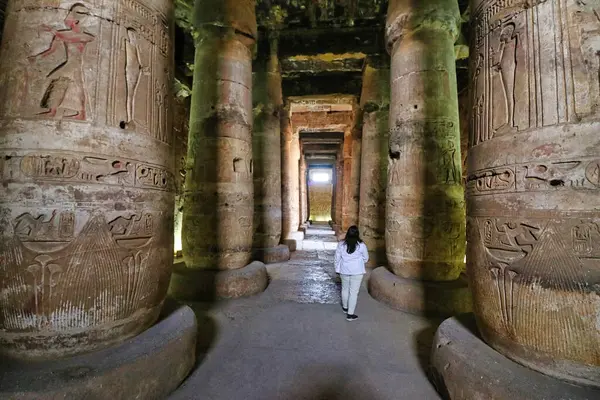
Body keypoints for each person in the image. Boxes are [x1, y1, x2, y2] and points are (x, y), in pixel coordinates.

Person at [335, 225, 369, 321]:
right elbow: (366, 258)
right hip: (357, 271)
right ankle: (350, 314)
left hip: (344, 270)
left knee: (344, 289)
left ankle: (345, 308)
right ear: (357, 234)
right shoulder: (361, 245)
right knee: (353, 292)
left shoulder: (341, 244)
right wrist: (360, 261)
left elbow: (337, 258)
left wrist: (336, 268)